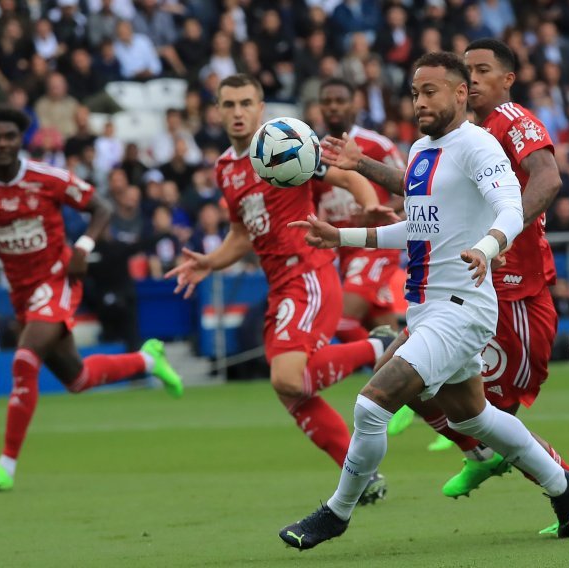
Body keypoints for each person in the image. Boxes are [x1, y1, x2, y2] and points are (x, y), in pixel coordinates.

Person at [279, 52, 569, 550]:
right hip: (427, 304)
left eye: (430, 91)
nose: (420, 101)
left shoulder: (479, 145)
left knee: (371, 404)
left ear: (460, 94)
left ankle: (337, 513)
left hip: (462, 307)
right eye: (414, 92)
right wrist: (342, 237)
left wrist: (487, 247)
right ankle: (567, 487)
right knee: (475, 417)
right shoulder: (424, 150)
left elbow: (513, 205)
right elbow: (417, 229)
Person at [166, 74, 396, 502]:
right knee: (290, 391)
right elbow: (240, 235)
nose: (237, 112)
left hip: (308, 273)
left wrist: (368, 206)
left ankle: (379, 347)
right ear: (217, 110)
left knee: (288, 376)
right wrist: (209, 262)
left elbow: (346, 177)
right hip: (280, 285)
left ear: (261, 106)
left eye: (246, 103)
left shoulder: (285, 140)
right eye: (229, 104)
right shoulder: (224, 169)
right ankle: (361, 476)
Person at [0, 105, 183, 492]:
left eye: (10, 136)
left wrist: (84, 247)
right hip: (22, 292)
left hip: (58, 279)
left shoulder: (47, 178)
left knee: (25, 360)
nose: (3, 143)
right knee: (77, 378)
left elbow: (100, 207)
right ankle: (147, 359)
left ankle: (5, 465)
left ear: (21, 140)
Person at [315, 78, 406, 343]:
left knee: (341, 322)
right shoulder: (312, 153)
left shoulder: (377, 145)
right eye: (327, 102)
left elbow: (410, 188)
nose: (333, 107)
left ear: (354, 105)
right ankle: (410, 375)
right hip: (344, 251)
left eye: (340, 101)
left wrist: (378, 210)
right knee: (386, 334)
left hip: (375, 246)